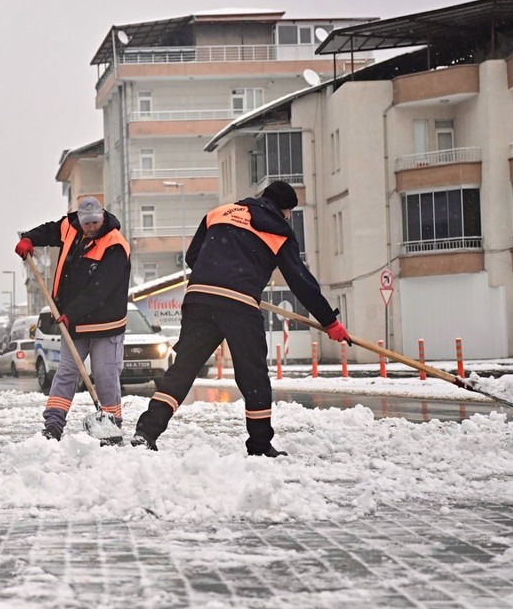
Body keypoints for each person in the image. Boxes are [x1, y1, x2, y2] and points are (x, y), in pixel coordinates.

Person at [131, 181, 351, 457]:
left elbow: (193, 256)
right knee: (253, 376)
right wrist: (330, 322)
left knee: (183, 370)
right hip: (239, 305)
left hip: (199, 297)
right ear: (286, 211)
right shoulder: (279, 230)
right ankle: (259, 445)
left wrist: (218, 274)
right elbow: (301, 282)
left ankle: (146, 432)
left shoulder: (221, 213)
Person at [15, 196, 131, 442]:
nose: (90, 227)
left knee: (105, 375)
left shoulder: (115, 244)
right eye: (86, 223)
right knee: (66, 372)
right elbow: (49, 231)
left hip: (105, 324)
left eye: (94, 222)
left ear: (102, 217)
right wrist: (29, 238)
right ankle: (54, 424)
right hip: (74, 323)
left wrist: (71, 312)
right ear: (79, 219)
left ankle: (111, 425)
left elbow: (101, 288)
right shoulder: (70, 227)